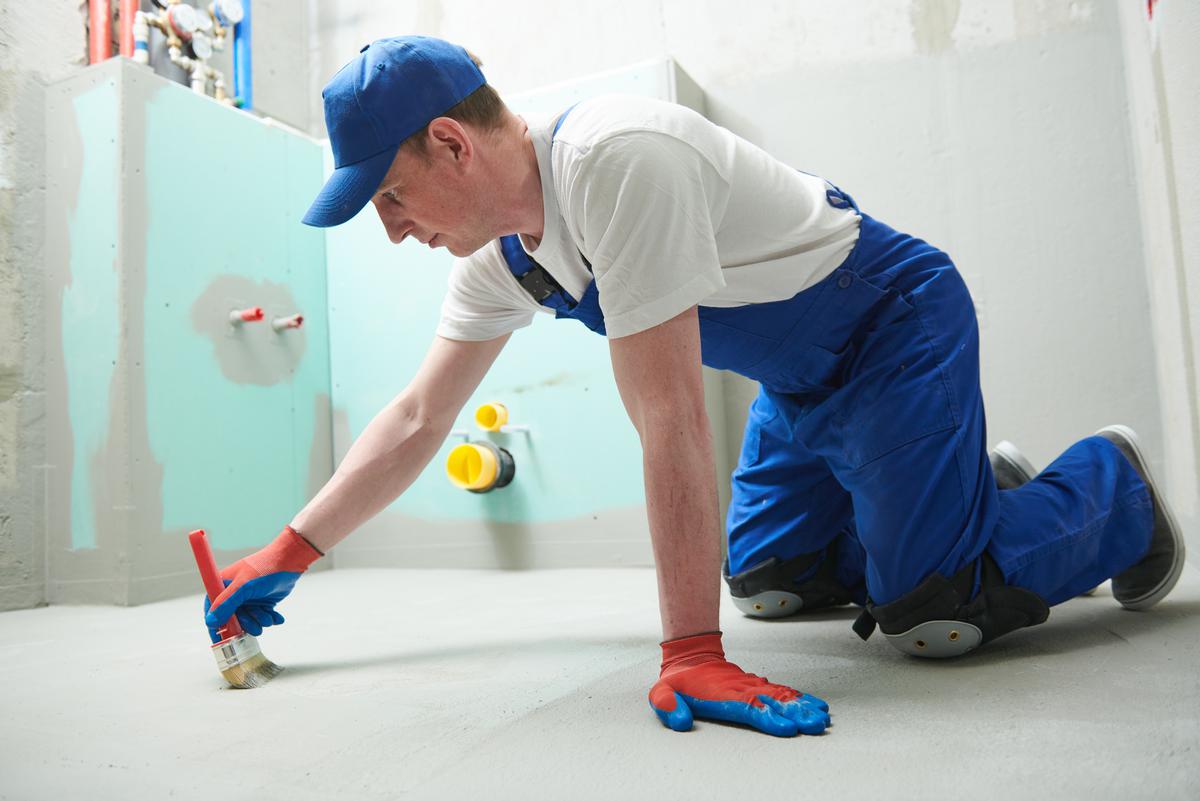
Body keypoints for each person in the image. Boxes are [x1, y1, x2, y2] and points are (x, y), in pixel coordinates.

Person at [202, 36, 1185, 737]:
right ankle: (965, 500)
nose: (392, 229)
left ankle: (1112, 493)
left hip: (891, 329)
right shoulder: (502, 261)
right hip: (799, 388)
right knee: (767, 580)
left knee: (935, 611)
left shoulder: (618, 161)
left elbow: (669, 417)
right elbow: (421, 417)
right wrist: (291, 549)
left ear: (453, 147)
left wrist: (688, 652)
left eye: (389, 197)